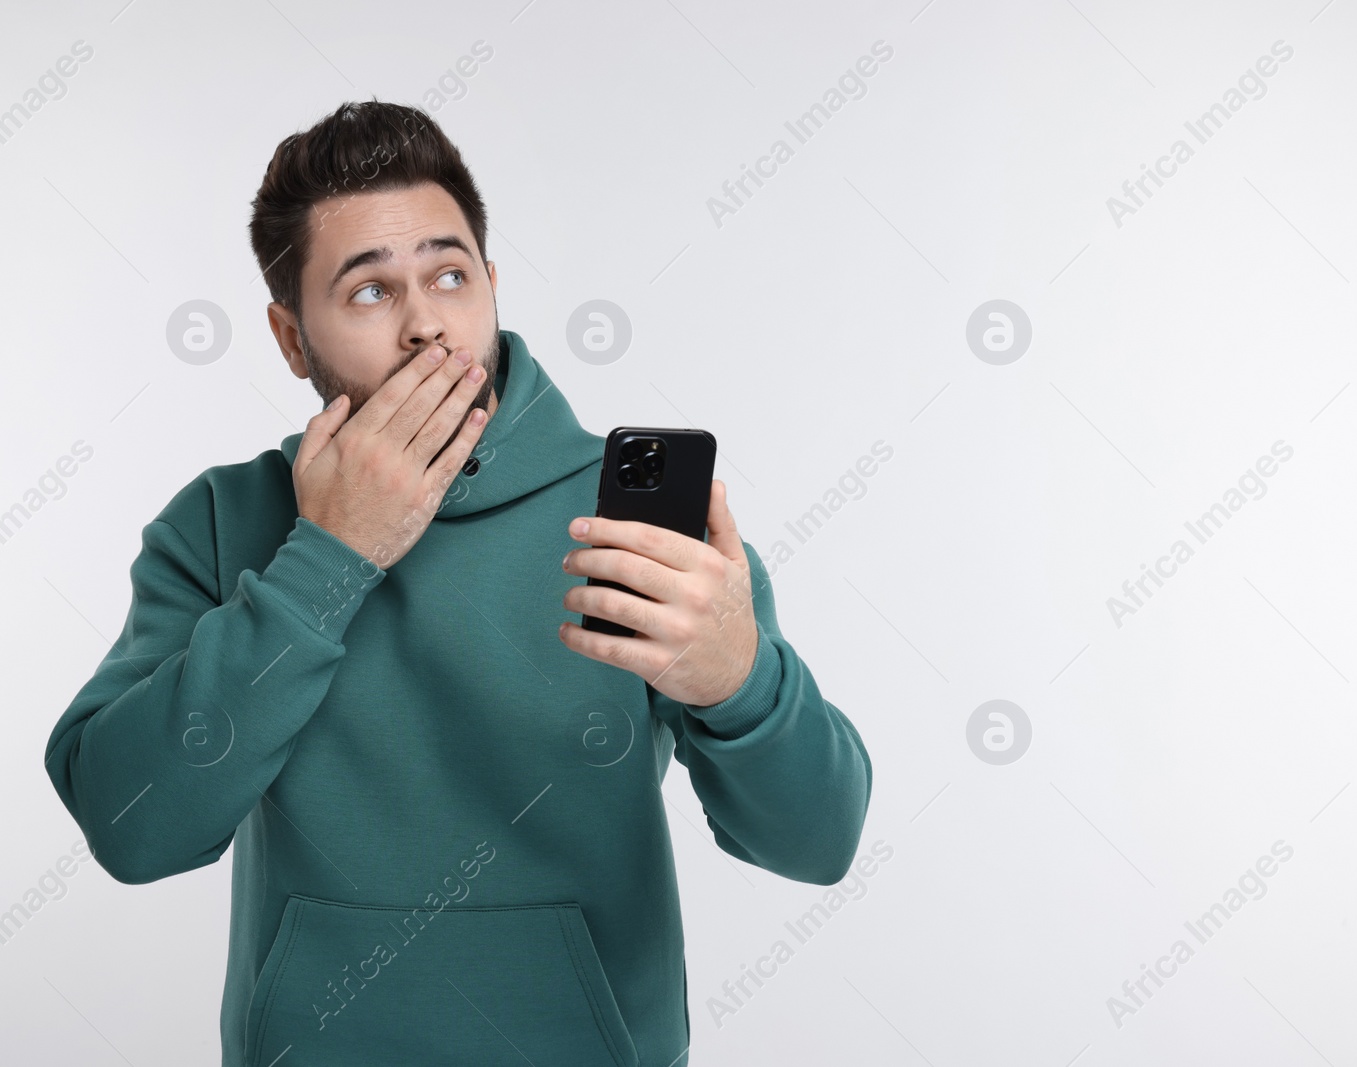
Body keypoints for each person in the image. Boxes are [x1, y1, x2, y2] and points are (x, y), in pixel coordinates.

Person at [42, 100, 872, 1067]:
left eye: (449, 274)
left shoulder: (631, 514)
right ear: (290, 337)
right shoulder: (226, 522)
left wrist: (741, 680)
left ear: (492, 285)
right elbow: (134, 830)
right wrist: (329, 556)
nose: (427, 325)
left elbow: (819, 846)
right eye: (366, 293)